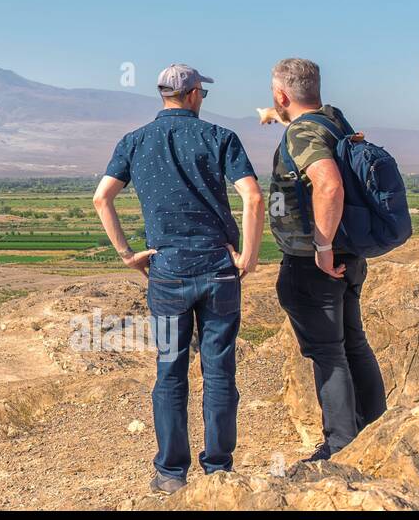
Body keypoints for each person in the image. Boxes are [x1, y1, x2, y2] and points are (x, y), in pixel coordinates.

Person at [93, 64, 263, 494]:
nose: (202, 98)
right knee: (219, 370)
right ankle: (219, 468)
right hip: (219, 269)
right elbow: (253, 196)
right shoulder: (220, 137)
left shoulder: (134, 141)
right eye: (201, 92)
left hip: (167, 272)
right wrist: (249, 255)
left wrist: (128, 255)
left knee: (170, 371)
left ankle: (171, 473)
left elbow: (102, 198)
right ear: (191, 96)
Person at [262, 58, 386, 460]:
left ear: (282, 94)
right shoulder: (334, 120)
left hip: (314, 262)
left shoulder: (302, 133)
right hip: (351, 255)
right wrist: (279, 116)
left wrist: (321, 246)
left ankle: (341, 445)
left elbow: (329, 185)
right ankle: (374, 430)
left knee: (328, 353)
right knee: (353, 343)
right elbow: (311, 132)